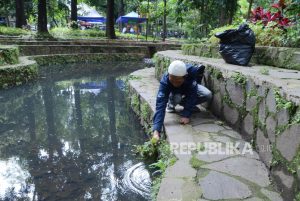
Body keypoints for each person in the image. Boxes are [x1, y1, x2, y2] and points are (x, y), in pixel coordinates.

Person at [152, 60, 212, 140]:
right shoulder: (165, 81)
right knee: (177, 97)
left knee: (207, 94)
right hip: (174, 93)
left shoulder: (192, 72)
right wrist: (156, 130)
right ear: (169, 75)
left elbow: (192, 95)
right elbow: (160, 104)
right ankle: (171, 104)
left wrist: (186, 115)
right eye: (172, 80)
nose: (175, 84)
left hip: (188, 87)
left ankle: (186, 105)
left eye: (178, 81)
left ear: (185, 76)